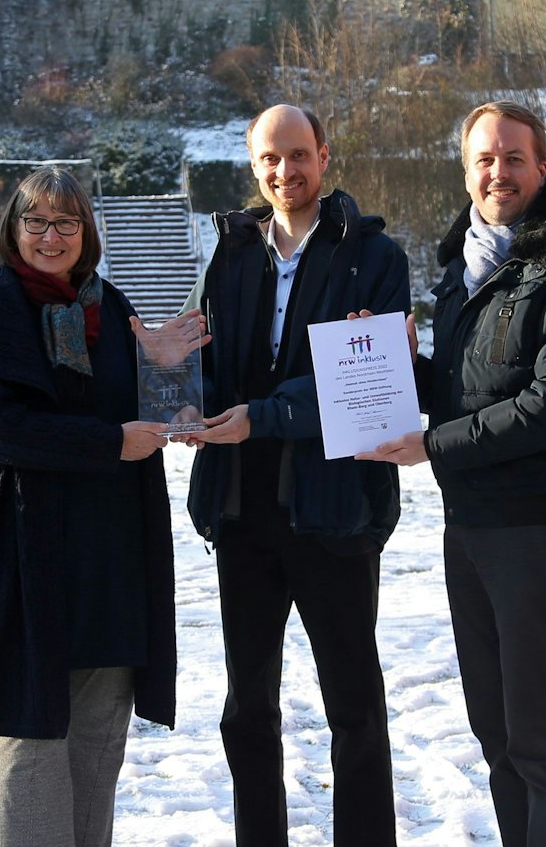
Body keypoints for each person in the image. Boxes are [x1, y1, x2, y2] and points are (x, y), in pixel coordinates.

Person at [363, 101, 546, 847]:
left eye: (513, 157)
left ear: (542, 166)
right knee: (495, 729)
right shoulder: (464, 265)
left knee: (539, 734)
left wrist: (433, 445)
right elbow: (465, 386)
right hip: (471, 522)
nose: (497, 171)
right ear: (466, 170)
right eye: (483, 158)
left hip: (543, 524)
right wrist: (386, 366)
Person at [0, 167, 189, 847]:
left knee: (97, 750)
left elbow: (150, 410)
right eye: (37, 221)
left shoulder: (111, 308)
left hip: (109, 567)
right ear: (13, 230)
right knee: (31, 754)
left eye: (67, 222)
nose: (51, 236)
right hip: (26, 568)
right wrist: (110, 443)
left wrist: (163, 371)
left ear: (87, 233)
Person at [182, 104, 408, 846]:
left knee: (354, 708)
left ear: (325, 154)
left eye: (298, 154)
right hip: (243, 511)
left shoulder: (373, 256)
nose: (285, 171)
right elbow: (211, 369)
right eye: (270, 159)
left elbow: (362, 386)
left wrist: (263, 415)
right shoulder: (233, 253)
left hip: (335, 510)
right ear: (254, 165)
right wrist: (170, 379)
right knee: (248, 707)